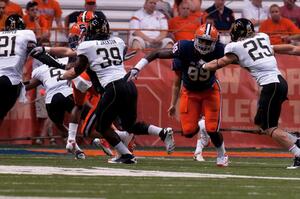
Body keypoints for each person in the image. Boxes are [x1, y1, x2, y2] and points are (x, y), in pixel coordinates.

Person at [36, 17, 175, 164]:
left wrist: (64, 76)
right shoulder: (119, 41)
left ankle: (126, 155)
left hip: (112, 87)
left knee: (101, 127)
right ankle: (162, 132)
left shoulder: (86, 46)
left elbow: (76, 71)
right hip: (128, 84)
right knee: (129, 125)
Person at [202, 18, 300, 169]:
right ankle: (295, 140)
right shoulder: (263, 38)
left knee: (269, 128)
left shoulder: (235, 47)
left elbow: (220, 63)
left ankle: (298, 152)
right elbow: (289, 49)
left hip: (270, 85)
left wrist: (203, 65)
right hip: (280, 82)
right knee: (260, 121)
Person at [127, 23, 228, 166]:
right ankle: (202, 126)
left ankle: (222, 154)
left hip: (210, 90)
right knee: (188, 131)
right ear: (195, 39)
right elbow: (156, 54)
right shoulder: (184, 48)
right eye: (202, 40)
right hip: (190, 91)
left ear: (215, 43)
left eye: (208, 42)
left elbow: (239, 58)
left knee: (212, 128)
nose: (205, 45)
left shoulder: (220, 49)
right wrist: (137, 67)